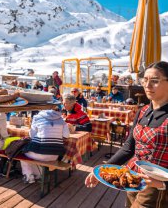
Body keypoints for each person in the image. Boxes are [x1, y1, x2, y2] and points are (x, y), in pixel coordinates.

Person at [85, 61, 168, 207]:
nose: (147, 85)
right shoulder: (143, 111)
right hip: (133, 178)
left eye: (154, 81)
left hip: (156, 187)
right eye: (145, 80)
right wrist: (102, 170)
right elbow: (129, 147)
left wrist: (162, 184)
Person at [20, 110, 70, 183]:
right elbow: (66, 135)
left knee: (23, 152)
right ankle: (38, 175)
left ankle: (29, 176)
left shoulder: (37, 117)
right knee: (35, 152)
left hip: (41, 154)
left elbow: (32, 135)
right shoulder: (61, 119)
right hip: (55, 155)